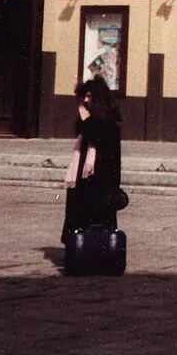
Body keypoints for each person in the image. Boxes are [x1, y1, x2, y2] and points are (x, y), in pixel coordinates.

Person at [61, 77, 123, 245]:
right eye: (85, 96)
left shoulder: (110, 120)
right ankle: (78, 248)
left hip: (100, 180)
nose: (86, 100)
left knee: (98, 225)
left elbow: (100, 138)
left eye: (89, 96)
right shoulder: (90, 117)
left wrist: (86, 120)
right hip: (83, 179)